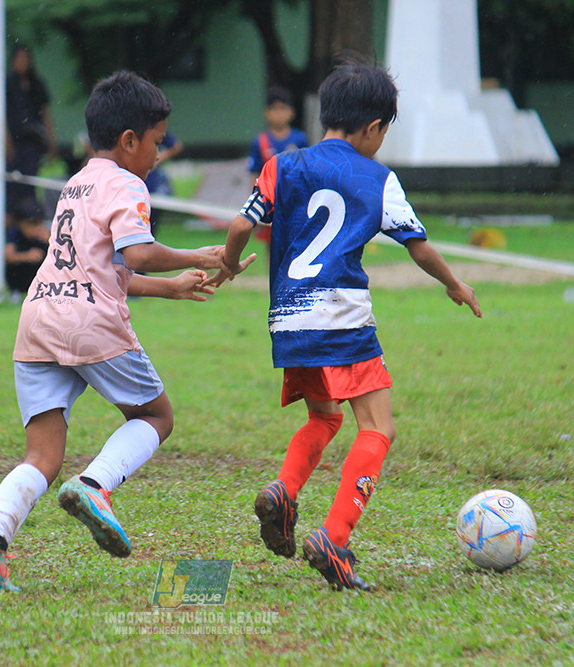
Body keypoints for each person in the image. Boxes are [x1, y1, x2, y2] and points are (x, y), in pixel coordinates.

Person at [0, 70, 251, 593]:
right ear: (129, 140)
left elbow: (105, 269)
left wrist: (173, 286)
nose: (159, 156)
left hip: (39, 318)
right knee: (155, 415)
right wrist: (199, 255)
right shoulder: (127, 183)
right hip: (89, 321)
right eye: (157, 144)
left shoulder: (77, 183)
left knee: (41, 457)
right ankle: (94, 485)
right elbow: (136, 254)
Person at [211, 56, 482, 591]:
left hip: (289, 320)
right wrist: (454, 284)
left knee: (325, 416)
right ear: (375, 127)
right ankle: (335, 537)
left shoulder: (283, 164)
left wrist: (226, 262)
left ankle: (285, 492)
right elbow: (419, 248)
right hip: (342, 315)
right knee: (378, 426)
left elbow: (241, 224)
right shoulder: (379, 178)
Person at [248, 87, 309, 255]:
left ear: (292, 112)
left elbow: (308, 170)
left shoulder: (300, 139)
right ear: (266, 113)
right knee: (272, 245)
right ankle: (273, 279)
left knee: (296, 242)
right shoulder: (260, 141)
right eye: (274, 109)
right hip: (270, 200)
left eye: (283, 109)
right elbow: (255, 173)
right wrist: (253, 201)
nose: (279, 114)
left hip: (295, 199)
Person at [5, 45, 57, 215]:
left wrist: (51, 142)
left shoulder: (36, 85)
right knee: (12, 185)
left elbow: (46, 115)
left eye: (25, 59)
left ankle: (31, 216)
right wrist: (7, 142)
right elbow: (2, 116)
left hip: (32, 143)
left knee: (30, 183)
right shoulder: (7, 85)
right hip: (14, 142)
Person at [4, 197, 49, 297]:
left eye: (38, 224)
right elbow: (8, 256)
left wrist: (50, 241)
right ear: (20, 224)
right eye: (31, 224)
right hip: (20, 277)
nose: (35, 229)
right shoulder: (15, 234)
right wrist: (26, 257)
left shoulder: (45, 235)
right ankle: (16, 292)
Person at [143, 130, 183, 235]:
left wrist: (156, 159)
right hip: (137, 185)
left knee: (150, 228)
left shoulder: (153, 127)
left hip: (153, 185)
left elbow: (176, 146)